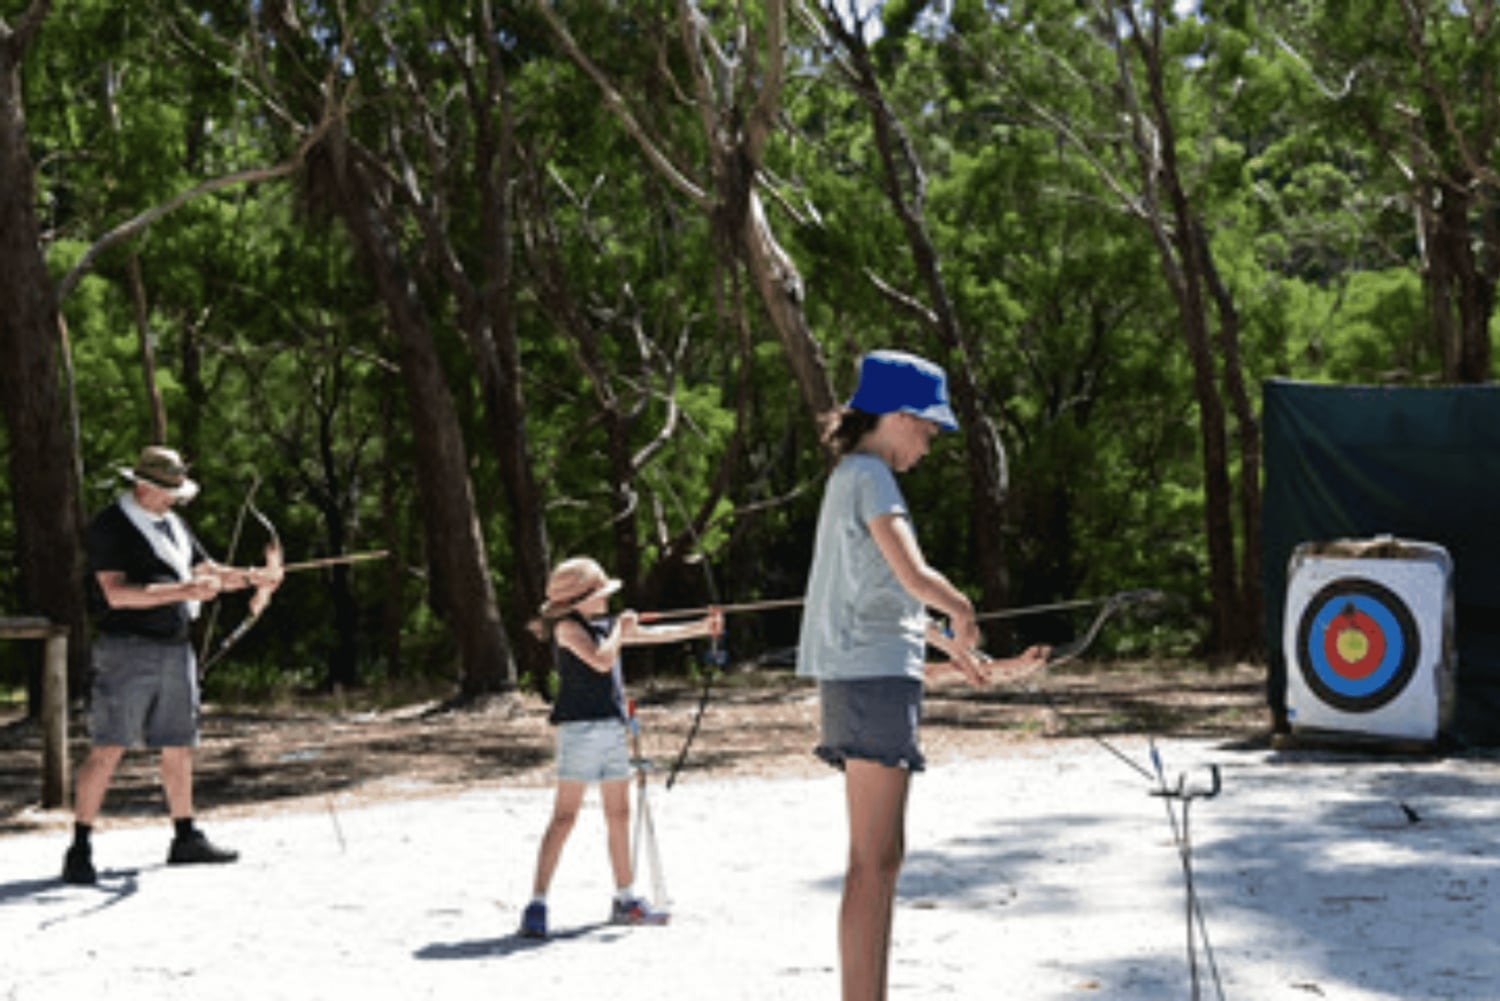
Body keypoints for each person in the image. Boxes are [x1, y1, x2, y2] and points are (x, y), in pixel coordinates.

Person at [796, 350, 1049, 1001]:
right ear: (899, 416)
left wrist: (958, 650)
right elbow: (914, 576)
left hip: (867, 679)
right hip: (870, 684)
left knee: (878, 859)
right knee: (874, 861)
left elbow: (888, 598)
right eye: (929, 430)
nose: (930, 445)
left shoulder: (850, 475)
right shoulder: (873, 477)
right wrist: (962, 607)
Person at [62, 445, 284, 886]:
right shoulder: (112, 526)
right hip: (126, 649)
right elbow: (117, 593)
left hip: (175, 646)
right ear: (143, 486)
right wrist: (185, 590)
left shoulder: (174, 524)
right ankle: (80, 847)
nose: (177, 498)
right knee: (109, 747)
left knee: (178, 744)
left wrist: (251, 577)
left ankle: (185, 836)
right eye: (169, 490)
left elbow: (206, 569)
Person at [519, 556, 722, 939]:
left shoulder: (606, 626)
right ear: (578, 600)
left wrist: (701, 627)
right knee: (565, 817)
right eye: (599, 594)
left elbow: (655, 634)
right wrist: (621, 629)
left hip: (612, 729)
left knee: (619, 814)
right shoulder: (566, 628)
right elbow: (600, 660)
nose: (607, 600)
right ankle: (537, 902)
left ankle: (625, 897)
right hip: (579, 731)